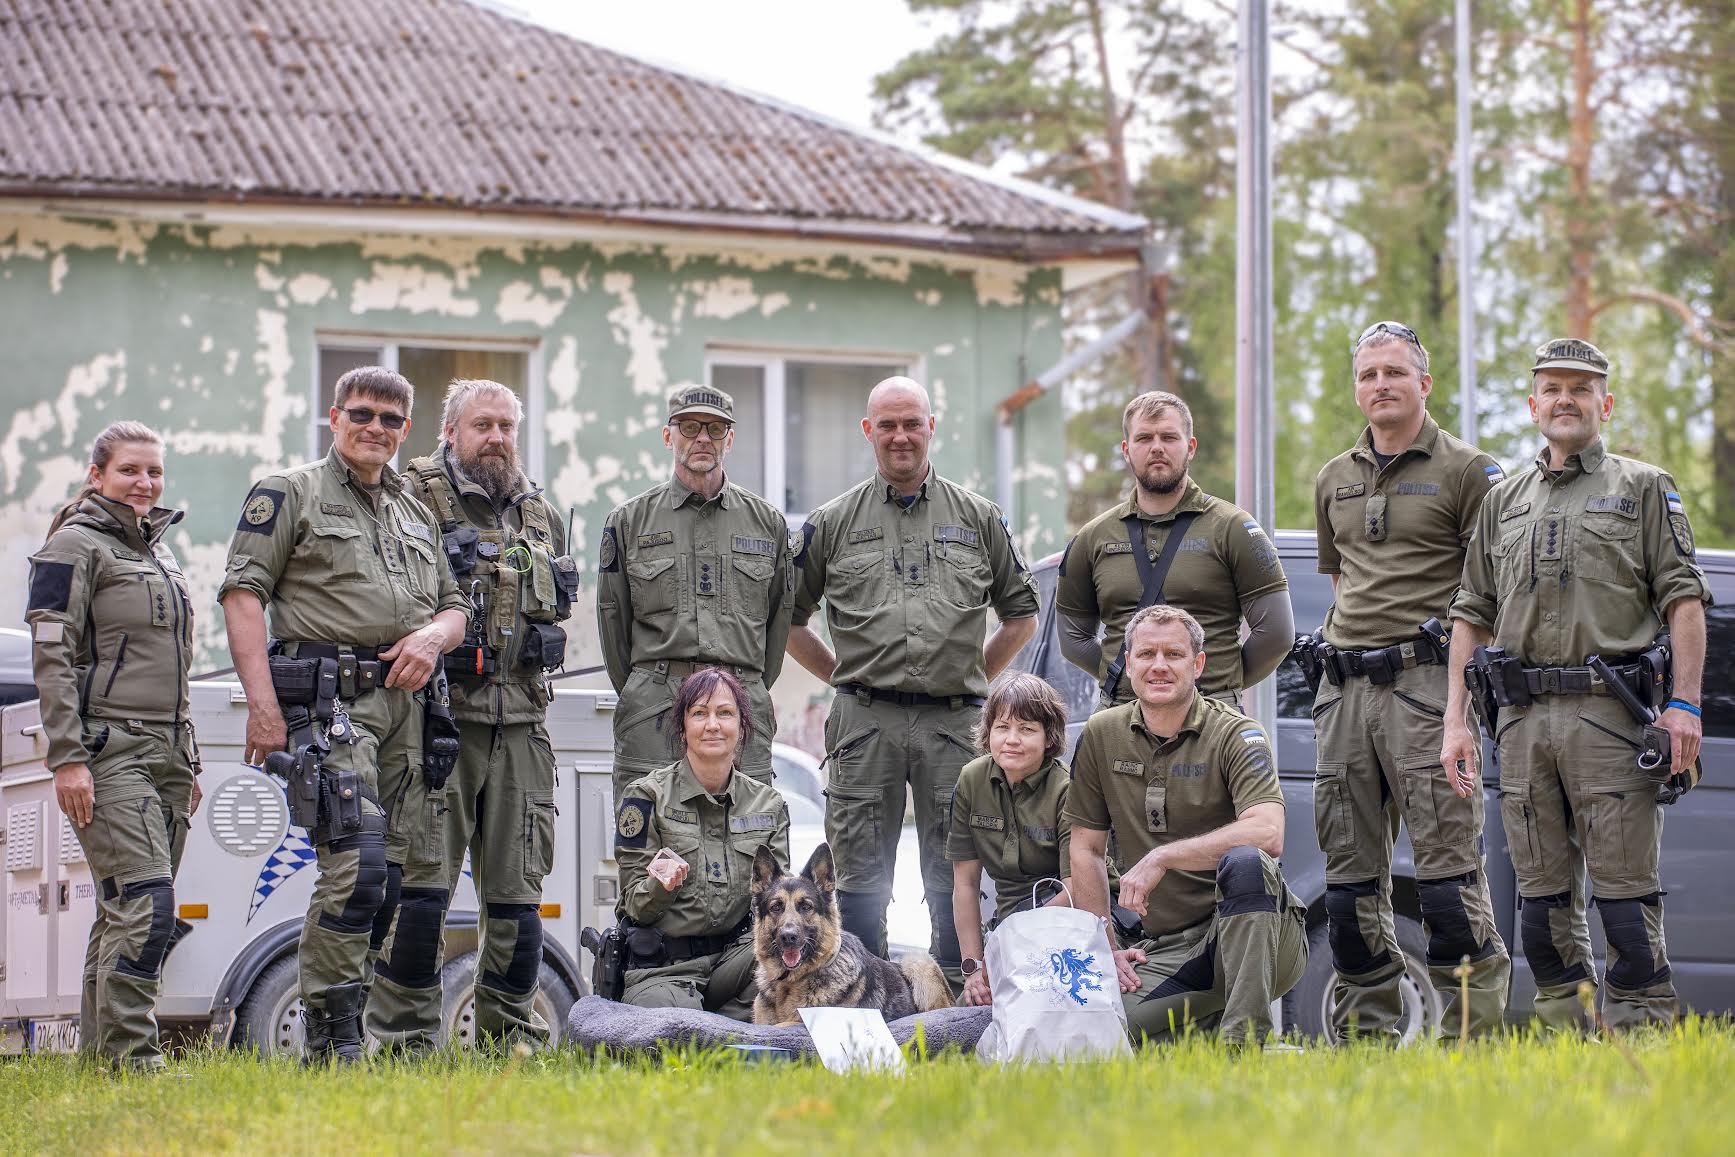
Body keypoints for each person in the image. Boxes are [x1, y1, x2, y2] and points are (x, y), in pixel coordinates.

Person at [1444, 337, 1710, 1031]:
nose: (1565, 398)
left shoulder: (1643, 486)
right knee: (1539, 907)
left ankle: (1641, 1038)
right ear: (1532, 404)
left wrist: (1682, 703)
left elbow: (1683, 599)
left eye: (1581, 387)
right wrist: (1454, 721)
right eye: (1551, 388)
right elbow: (1469, 614)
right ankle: (1567, 1040)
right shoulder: (1501, 502)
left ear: (1605, 403)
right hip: (1522, 723)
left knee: (1625, 904)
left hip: (1610, 719)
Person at [220, 366, 469, 1062]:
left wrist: (432, 636)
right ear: (334, 417)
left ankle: (351, 1016)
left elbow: (456, 605)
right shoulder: (288, 492)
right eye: (362, 414)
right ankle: (331, 1039)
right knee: (354, 865)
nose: (376, 429)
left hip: (409, 710)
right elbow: (242, 594)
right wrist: (262, 708)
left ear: (405, 430)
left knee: (392, 879)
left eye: (392, 420)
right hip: (331, 705)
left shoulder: (415, 511)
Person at [786, 376, 1039, 976]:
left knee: (956, 871)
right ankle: (859, 1001)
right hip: (864, 722)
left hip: (953, 723)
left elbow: (1021, 616)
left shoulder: (978, 518)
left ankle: (956, 997)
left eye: (912, 423)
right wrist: (843, 675)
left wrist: (973, 674)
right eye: (888, 425)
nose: (901, 436)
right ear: (868, 431)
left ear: (932, 427)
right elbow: (789, 623)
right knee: (857, 878)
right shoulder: (832, 522)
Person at [1307, 321, 1512, 1041]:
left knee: (1447, 884)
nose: (1380, 385)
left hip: (1427, 690)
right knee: (1348, 887)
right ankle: (1367, 1039)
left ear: (1424, 383)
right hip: (1342, 696)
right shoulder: (1332, 476)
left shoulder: (1468, 470)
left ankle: (1469, 1043)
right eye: (1367, 374)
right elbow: (1340, 582)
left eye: (1394, 372)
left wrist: (1459, 708)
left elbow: (1488, 596)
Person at [402, 380, 577, 1048]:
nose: (497, 436)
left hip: (524, 724)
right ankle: (405, 1041)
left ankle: (507, 1041)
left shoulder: (540, 516)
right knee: (421, 896)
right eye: (483, 424)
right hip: (437, 722)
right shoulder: (412, 500)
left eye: (507, 424)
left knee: (517, 898)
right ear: (450, 431)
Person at [26, 422, 201, 1071]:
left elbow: (174, 660)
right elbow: (52, 657)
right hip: (109, 748)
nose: (145, 483)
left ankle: (101, 1062)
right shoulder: (73, 546)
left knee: (123, 907)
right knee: (147, 905)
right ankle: (135, 1059)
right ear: (97, 474)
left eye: (154, 471)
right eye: (130, 470)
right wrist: (68, 757)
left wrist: (189, 756)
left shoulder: (159, 549)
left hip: (168, 753)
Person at [1066, 605, 1307, 1046]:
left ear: (1198, 665)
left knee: (1247, 861)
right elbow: (1085, 849)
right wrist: (1104, 946)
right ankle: (1208, 1032)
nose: (1159, 665)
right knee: (1101, 1030)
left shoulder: (1237, 733)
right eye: (1146, 654)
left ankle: (1246, 1043)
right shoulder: (1101, 735)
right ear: (1129, 662)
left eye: (1174, 654)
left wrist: (1164, 856)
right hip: (1169, 949)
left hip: (1257, 934)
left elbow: (1268, 832)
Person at [596, 385, 793, 797]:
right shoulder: (630, 521)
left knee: (750, 838)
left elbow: (778, 624)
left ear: (730, 439)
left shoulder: (767, 524)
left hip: (740, 706)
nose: (703, 438)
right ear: (669, 436)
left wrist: (743, 687)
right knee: (649, 844)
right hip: (655, 707)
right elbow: (613, 623)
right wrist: (648, 686)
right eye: (689, 427)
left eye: (716, 429)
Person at [1057, 390, 1292, 711]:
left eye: (1169, 437)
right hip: (1120, 715)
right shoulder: (1092, 537)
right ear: (1127, 450)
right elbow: (1073, 638)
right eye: (1144, 438)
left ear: (1190, 447)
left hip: (1211, 714)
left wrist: (1218, 684)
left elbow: (1276, 635)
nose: (1157, 447)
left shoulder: (1233, 528)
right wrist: (1128, 676)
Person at [613, 667, 791, 1020]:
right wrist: (659, 886)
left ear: (741, 727)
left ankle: (730, 1023)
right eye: (699, 713)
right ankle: (722, 1024)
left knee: (803, 977)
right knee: (674, 1029)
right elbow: (632, 905)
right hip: (665, 968)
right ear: (682, 727)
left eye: (725, 713)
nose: (713, 724)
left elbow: (780, 903)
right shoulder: (646, 797)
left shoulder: (768, 806)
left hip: (738, 960)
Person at [948, 673, 1089, 1007]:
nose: (1012, 740)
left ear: (1049, 736)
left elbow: (1077, 888)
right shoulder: (972, 780)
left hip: (1064, 920)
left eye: (1027, 729)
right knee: (966, 1015)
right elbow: (965, 884)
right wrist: (974, 967)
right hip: (1006, 925)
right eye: (1002, 727)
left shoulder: (1067, 790)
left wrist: (1013, 941)